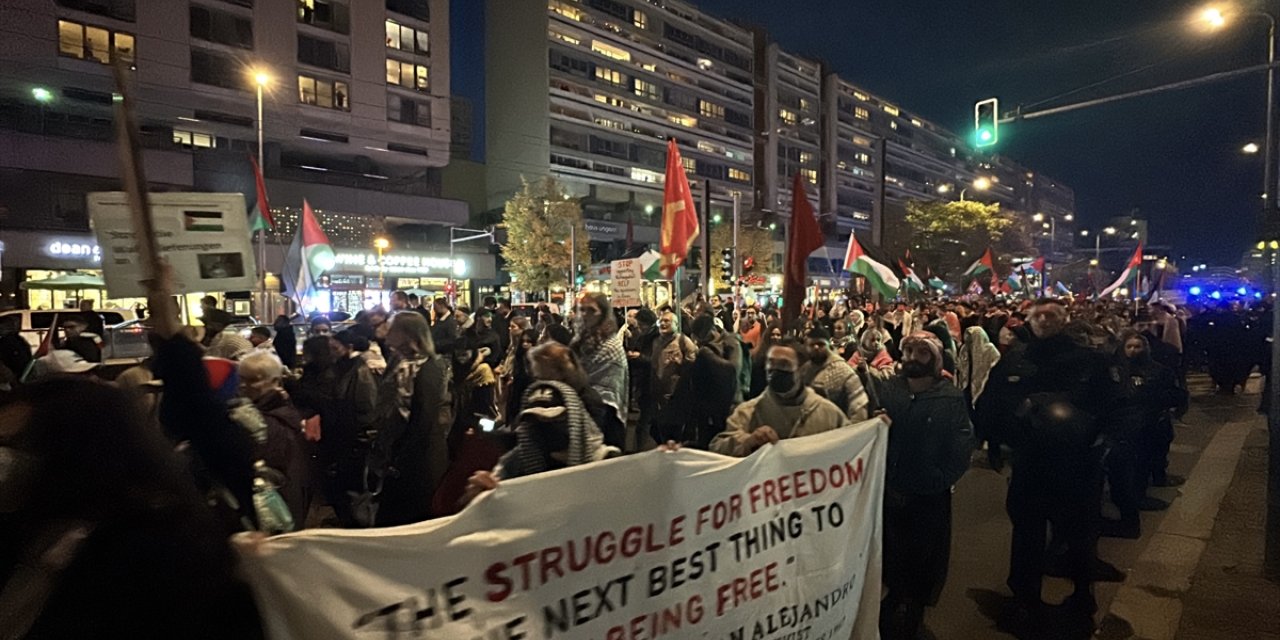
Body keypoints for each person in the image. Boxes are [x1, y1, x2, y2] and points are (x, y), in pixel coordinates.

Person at [0, 379, 264, 637]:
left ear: (73, 449)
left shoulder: (163, 547)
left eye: (14, 444)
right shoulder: (37, 527)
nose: (6, 459)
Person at [979, 298, 1121, 627]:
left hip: (1076, 464)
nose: (1044, 320)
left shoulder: (1090, 360)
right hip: (1029, 463)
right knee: (1026, 532)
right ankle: (1025, 598)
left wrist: (1106, 442)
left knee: (1077, 533)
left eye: (1051, 315)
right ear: (1029, 320)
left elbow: (1115, 405)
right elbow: (991, 401)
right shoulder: (1015, 360)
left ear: (1064, 319)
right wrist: (995, 443)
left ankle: (1083, 595)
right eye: (1038, 315)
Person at [863, 332, 973, 640]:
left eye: (921, 353)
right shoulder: (889, 391)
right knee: (889, 560)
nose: (912, 358)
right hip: (889, 493)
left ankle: (912, 619)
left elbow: (962, 446)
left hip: (927, 499)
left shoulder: (949, 398)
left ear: (935, 361)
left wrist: (938, 479)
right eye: (908, 350)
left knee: (922, 564)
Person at [462, 379, 618, 505]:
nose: (546, 428)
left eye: (555, 420)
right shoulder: (515, 464)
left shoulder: (607, 462)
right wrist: (477, 496)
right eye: (537, 422)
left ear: (575, 421)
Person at [367, 312, 451, 526]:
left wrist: (400, 459)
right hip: (393, 456)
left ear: (407, 334)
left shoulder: (429, 367)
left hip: (416, 463)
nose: (386, 333)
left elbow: (424, 419)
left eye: (392, 328)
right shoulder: (399, 360)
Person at [711, 339, 852, 456]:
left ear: (801, 370)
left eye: (784, 364)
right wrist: (748, 441)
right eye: (771, 363)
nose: (775, 370)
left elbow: (854, 445)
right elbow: (717, 448)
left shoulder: (828, 414)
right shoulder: (748, 413)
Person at [236, 351, 314, 528]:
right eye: (241, 378)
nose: (243, 385)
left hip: (274, 510)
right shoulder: (277, 410)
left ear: (275, 381)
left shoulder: (268, 422)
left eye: (252, 380)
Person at [571, 293, 628, 449]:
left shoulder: (611, 346)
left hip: (605, 420)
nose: (585, 315)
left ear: (603, 313)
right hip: (581, 416)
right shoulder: (579, 340)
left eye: (591, 310)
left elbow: (607, 393)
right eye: (582, 309)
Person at [798, 326, 869, 421]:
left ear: (829, 346)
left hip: (836, 427)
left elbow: (859, 408)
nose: (816, 347)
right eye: (812, 345)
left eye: (820, 344)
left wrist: (851, 431)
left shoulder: (844, 371)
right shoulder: (804, 370)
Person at [648, 309, 698, 445]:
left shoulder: (684, 342)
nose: (663, 324)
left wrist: (680, 364)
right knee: (658, 431)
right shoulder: (655, 342)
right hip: (659, 397)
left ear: (676, 324)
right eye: (661, 321)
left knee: (674, 434)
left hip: (676, 397)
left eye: (667, 321)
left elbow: (693, 366)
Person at [957, 325, 1003, 469]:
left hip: (985, 390)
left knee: (986, 420)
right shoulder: (965, 349)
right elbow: (961, 366)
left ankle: (993, 456)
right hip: (967, 387)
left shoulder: (989, 350)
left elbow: (996, 368)